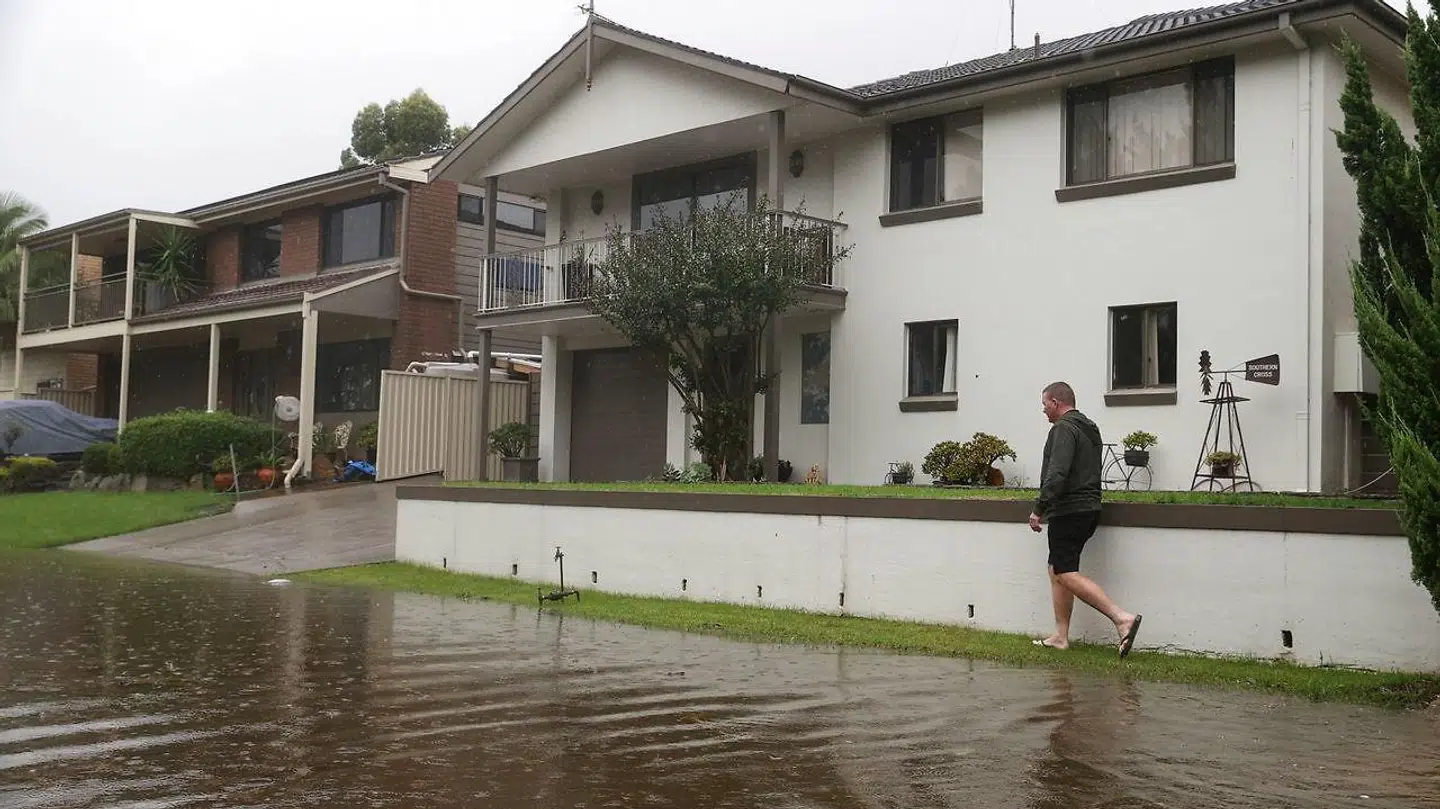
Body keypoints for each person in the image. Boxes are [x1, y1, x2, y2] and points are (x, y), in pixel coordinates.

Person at [1027, 381, 1142, 657]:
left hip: (1069, 509)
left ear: (1055, 402)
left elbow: (1058, 473)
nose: (1043, 411)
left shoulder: (1064, 429)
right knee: (1057, 569)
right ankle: (1060, 636)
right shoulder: (1089, 428)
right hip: (1089, 507)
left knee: (1064, 572)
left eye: (1044, 405)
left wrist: (1040, 507)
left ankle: (1122, 619)